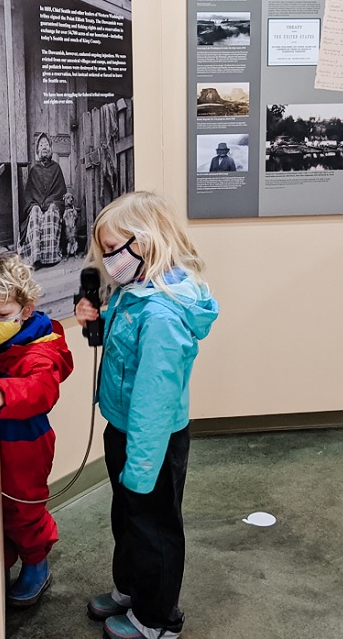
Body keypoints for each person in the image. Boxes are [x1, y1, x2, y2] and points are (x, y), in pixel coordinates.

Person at [75, 191, 219, 639]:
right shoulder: (136, 291)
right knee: (128, 516)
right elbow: (124, 354)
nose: (109, 261)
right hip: (124, 426)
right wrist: (95, 325)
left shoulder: (162, 314)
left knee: (154, 526)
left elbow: (154, 402)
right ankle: (132, 588)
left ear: (147, 243)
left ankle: (157, 618)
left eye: (115, 250)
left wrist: (141, 465)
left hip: (150, 438)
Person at [0, 253, 74, 608]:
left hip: (26, 442)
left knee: (24, 511)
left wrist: (5, 391)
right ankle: (4, 561)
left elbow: (42, 389)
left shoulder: (39, 350)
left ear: (26, 308)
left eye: (3, 315)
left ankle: (37, 565)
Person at [21, 133, 68, 266]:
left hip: (52, 204)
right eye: (41, 145)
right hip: (36, 205)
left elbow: (61, 192)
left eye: (46, 145)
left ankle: (50, 257)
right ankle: (35, 255)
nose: (44, 148)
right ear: (37, 151)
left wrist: (50, 203)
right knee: (35, 212)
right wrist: (36, 205)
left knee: (52, 211)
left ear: (51, 149)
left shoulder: (56, 168)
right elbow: (29, 195)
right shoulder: (34, 171)